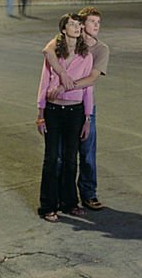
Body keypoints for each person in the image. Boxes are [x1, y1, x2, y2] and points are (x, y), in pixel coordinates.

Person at [36, 14, 94, 221]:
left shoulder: (86, 56)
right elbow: (44, 82)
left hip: (75, 112)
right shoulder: (54, 54)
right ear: (63, 30)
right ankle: (48, 206)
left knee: (71, 159)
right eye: (72, 24)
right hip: (53, 111)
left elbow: (88, 87)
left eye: (79, 24)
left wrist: (87, 117)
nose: (77, 27)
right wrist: (40, 113)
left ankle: (69, 203)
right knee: (52, 158)